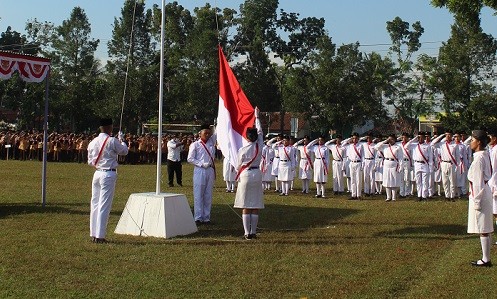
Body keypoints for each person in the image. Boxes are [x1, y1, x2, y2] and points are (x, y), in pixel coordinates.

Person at [87, 118, 129, 243]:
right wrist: (123, 140)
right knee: (104, 205)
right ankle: (100, 236)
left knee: (95, 204)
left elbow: (90, 161)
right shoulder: (111, 140)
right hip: (108, 174)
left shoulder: (93, 142)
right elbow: (124, 151)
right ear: (110, 127)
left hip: (97, 173)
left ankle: (94, 234)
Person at [234, 107, 264, 240]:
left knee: (246, 205)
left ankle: (247, 233)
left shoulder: (242, 149)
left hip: (246, 174)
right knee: (255, 204)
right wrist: (257, 117)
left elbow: (238, 165)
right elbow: (261, 131)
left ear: (246, 137)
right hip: (257, 173)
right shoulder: (260, 145)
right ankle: (253, 232)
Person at [467, 130, 493, 267]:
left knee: (483, 227)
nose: (471, 142)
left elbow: (477, 182)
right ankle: (486, 257)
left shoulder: (479, 159)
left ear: (479, 142)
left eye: (472, 140)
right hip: (485, 191)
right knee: (486, 226)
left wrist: (476, 201)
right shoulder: (484, 155)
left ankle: (485, 259)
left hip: (481, 193)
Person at [187, 124, 217, 225]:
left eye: (209, 133)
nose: (207, 135)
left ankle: (206, 217)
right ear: (200, 133)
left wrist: (215, 124)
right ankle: (198, 217)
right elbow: (190, 158)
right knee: (198, 194)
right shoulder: (195, 144)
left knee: (208, 194)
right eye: (205, 133)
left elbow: (217, 133)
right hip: (200, 170)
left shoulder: (211, 142)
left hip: (210, 170)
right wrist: (201, 164)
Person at [374, 134, 403, 201]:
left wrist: (400, 166)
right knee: (387, 181)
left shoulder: (398, 147)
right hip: (386, 164)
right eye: (389, 139)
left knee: (394, 181)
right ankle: (388, 197)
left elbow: (400, 158)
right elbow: (376, 147)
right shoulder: (385, 146)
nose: (390, 141)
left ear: (395, 139)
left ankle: (394, 197)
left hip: (394, 164)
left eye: (392, 139)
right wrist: (385, 141)